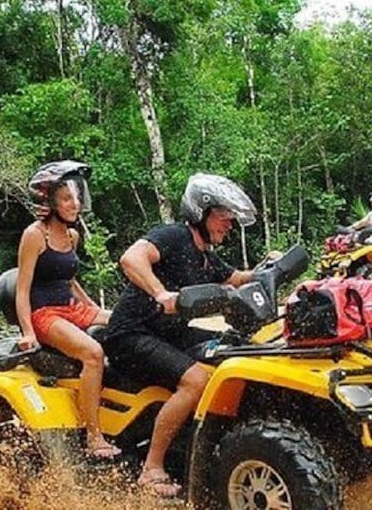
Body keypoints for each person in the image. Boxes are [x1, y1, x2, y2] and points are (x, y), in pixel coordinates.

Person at [102, 173, 258, 498]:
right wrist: (160, 294)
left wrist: (273, 269)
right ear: (200, 212)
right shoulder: (173, 236)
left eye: (231, 218)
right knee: (196, 380)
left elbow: (237, 279)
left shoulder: (206, 256)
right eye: (222, 216)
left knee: (234, 349)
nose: (228, 224)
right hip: (130, 335)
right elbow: (131, 259)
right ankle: (152, 468)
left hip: (168, 334)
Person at [14, 160, 120, 460]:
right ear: (50, 202)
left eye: (77, 196)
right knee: (93, 353)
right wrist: (28, 333)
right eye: (67, 198)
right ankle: (94, 436)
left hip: (71, 308)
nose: (75, 203)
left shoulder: (72, 236)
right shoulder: (35, 235)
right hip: (45, 313)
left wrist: (95, 309)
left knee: (127, 322)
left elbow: (70, 280)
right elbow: (22, 290)